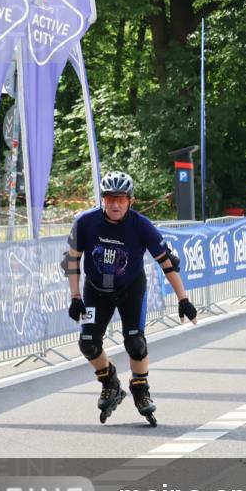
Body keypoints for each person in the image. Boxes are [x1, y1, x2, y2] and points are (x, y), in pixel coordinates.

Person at [65, 171, 197, 426]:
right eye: (110, 198)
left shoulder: (141, 225)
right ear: (102, 199)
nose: (115, 204)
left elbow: (167, 263)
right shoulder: (85, 223)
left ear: (130, 200)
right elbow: (73, 259)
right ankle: (110, 382)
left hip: (130, 290)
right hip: (95, 290)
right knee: (88, 343)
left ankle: (140, 388)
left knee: (135, 342)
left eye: (121, 199)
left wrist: (183, 299)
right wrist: (75, 296)